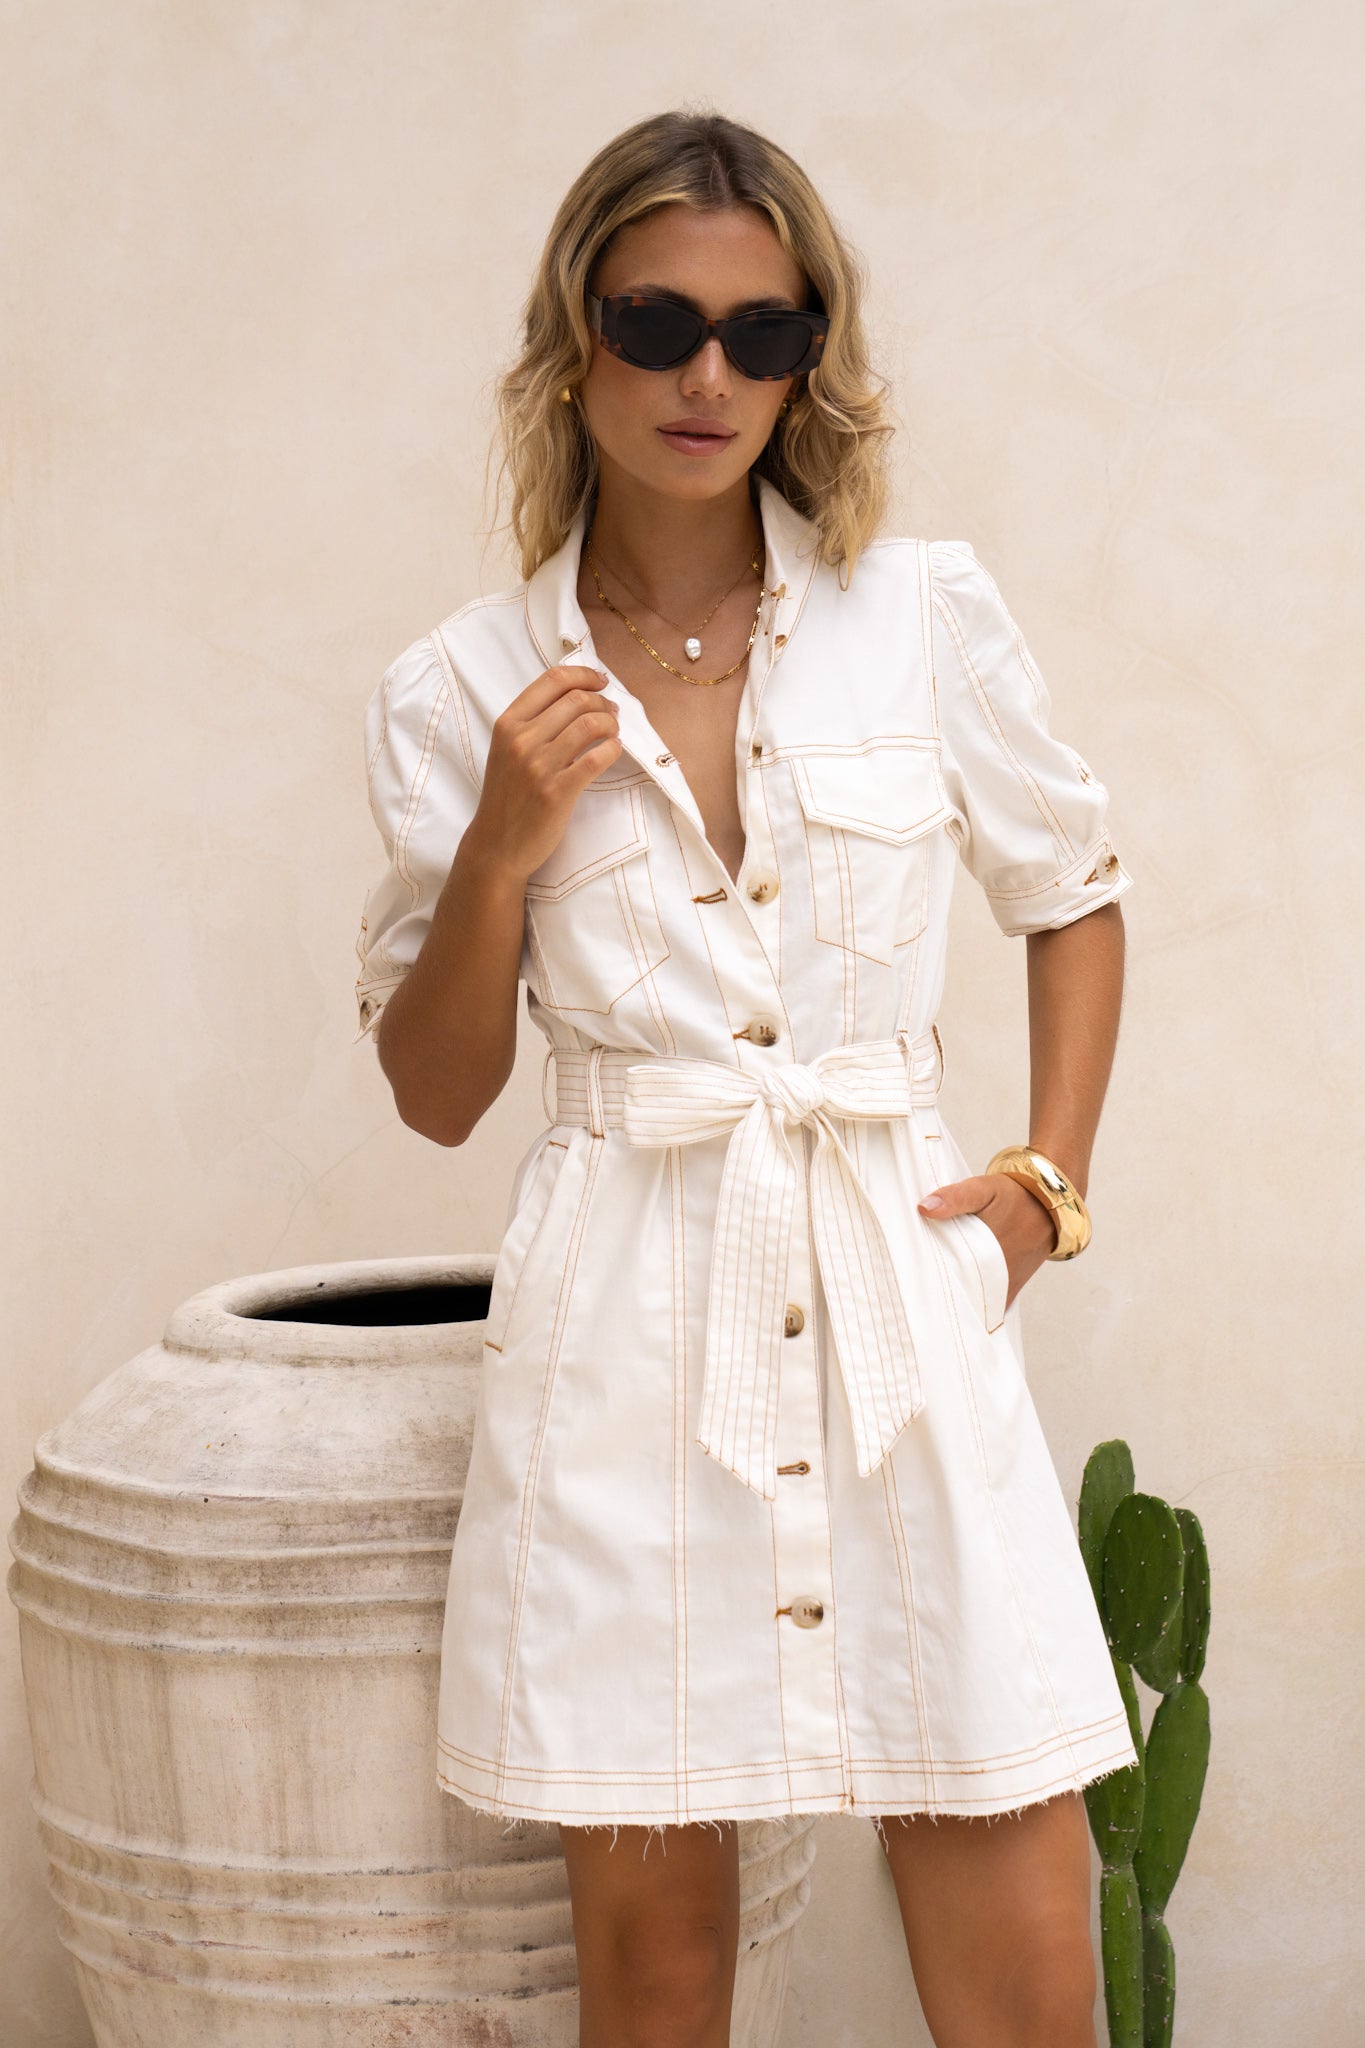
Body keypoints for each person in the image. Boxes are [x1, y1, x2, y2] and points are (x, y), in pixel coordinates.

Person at [354, 108, 1136, 2048]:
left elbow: (1073, 890)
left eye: (760, 334)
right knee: (655, 1968)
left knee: (1019, 1931)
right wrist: (497, 849)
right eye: (657, 322)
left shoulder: (918, 616)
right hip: (626, 1333)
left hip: (893, 1301)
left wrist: (1038, 1188)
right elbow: (436, 1090)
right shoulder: (457, 688)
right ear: (575, 341)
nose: (707, 377)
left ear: (806, 362)